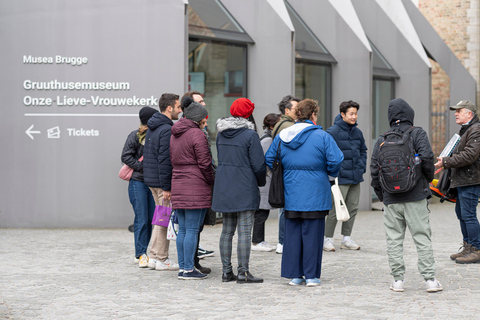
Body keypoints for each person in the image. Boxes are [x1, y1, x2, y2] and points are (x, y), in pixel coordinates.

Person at [265, 99, 343, 287]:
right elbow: (336, 159)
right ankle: (311, 276)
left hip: (291, 192)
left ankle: (295, 276)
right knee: (313, 235)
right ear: (314, 115)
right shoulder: (322, 136)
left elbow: (269, 158)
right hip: (316, 192)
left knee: (292, 234)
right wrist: (329, 175)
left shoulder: (283, 135)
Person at [371, 98, 443, 293]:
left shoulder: (382, 139)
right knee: (422, 237)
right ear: (410, 115)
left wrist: (383, 196)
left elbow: (374, 172)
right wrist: (425, 181)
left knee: (394, 239)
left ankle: (398, 281)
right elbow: (427, 157)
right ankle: (429, 280)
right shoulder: (417, 133)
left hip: (391, 199)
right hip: (416, 196)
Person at [212, 98, 266, 283]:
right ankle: (243, 272)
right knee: (244, 232)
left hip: (225, 186)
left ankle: (226, 272)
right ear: (248, 114)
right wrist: (260, 182)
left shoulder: (221, 134)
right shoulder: (250, 136)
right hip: (244, 186)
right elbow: (259, 165)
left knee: (227, 231)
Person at [170, 102, 214, 280]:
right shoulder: (197, 134)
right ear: (199, 118)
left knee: (183, 230)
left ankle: (183, 268)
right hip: (196, 185)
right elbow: (205, 163)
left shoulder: (175, 133)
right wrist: (211, 180)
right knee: (192, 230)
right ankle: (189, 269)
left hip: (178, 183)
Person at [434, 100, 480, 264]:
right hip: (463, 180)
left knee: (468, 215)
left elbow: (470, 155)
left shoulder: (476, 130)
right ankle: (468, 247)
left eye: (459, 111)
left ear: (469, 114)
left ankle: (476, 249)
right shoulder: (467, 129)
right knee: (461, 214)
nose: (455, 113)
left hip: (470, 180)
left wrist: (445, 162)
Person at [142, 93, 182, 271]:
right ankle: (161, 258)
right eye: (178, 107)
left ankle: (154, 256)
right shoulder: (166, 129)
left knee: (160, 218)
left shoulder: (153, 126)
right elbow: (165, 159)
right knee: (163, 219)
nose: (180, 111)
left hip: (152, 180)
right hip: (161, 183)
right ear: (169, 108)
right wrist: (167, 187)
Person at [324, 101, 367, 251]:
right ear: (342, 114)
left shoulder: (358, 132)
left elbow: (363, 150)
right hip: (339, 178)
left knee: (352, 208)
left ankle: (346, 239)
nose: (354, 116)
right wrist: (334, 172)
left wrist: (361, 167)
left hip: (355, 176)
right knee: (335, 209)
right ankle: (327, 239)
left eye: (355, 113)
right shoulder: (332, 132)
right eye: (351, 113)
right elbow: (326, 154)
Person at [121, 107, 158, 266]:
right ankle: (140, 253)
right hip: (138, 182)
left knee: (150, 219)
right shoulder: (135, 136)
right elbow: (125, 156)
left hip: (152, 183)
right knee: (142, 217)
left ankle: (144, 251)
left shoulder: (156, 135)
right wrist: (143, 167)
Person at [271, 95, 300, 254]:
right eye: (296, 108)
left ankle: (283, 241)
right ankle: (282, 242)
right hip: (286, 171)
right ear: (287, 110)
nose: (299, 111)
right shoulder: (287, 126)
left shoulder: (282, 123)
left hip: (282, 170)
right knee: (285, 210)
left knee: (284, 209)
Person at [252, 113, 281, 252]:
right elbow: (264, 162)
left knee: (262, 213)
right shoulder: (267, 141)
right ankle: (257, 241)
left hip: (265, 181)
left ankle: (259, 240)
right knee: (261, 213)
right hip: (265, 182)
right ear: (271, 126)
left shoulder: (268, 139)